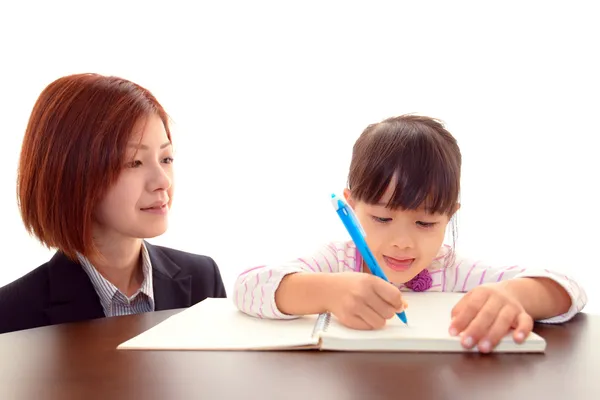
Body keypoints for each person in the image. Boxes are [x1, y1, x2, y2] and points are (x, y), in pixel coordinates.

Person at [233, 114, 586, 353]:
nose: (402, 242)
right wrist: (326, 291)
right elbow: (247, 286)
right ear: (351, 207)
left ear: (450, 216)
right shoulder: (337, 261)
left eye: (425, 223)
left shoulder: (452, 270)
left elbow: (569, 289)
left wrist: (514, 295)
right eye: (382, 218)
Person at [0, 73, 226, 335]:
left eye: (166, 158)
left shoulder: (202, 280)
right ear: (72, 174)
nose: (162, 181)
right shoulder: (12, 314)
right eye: (134, 162)